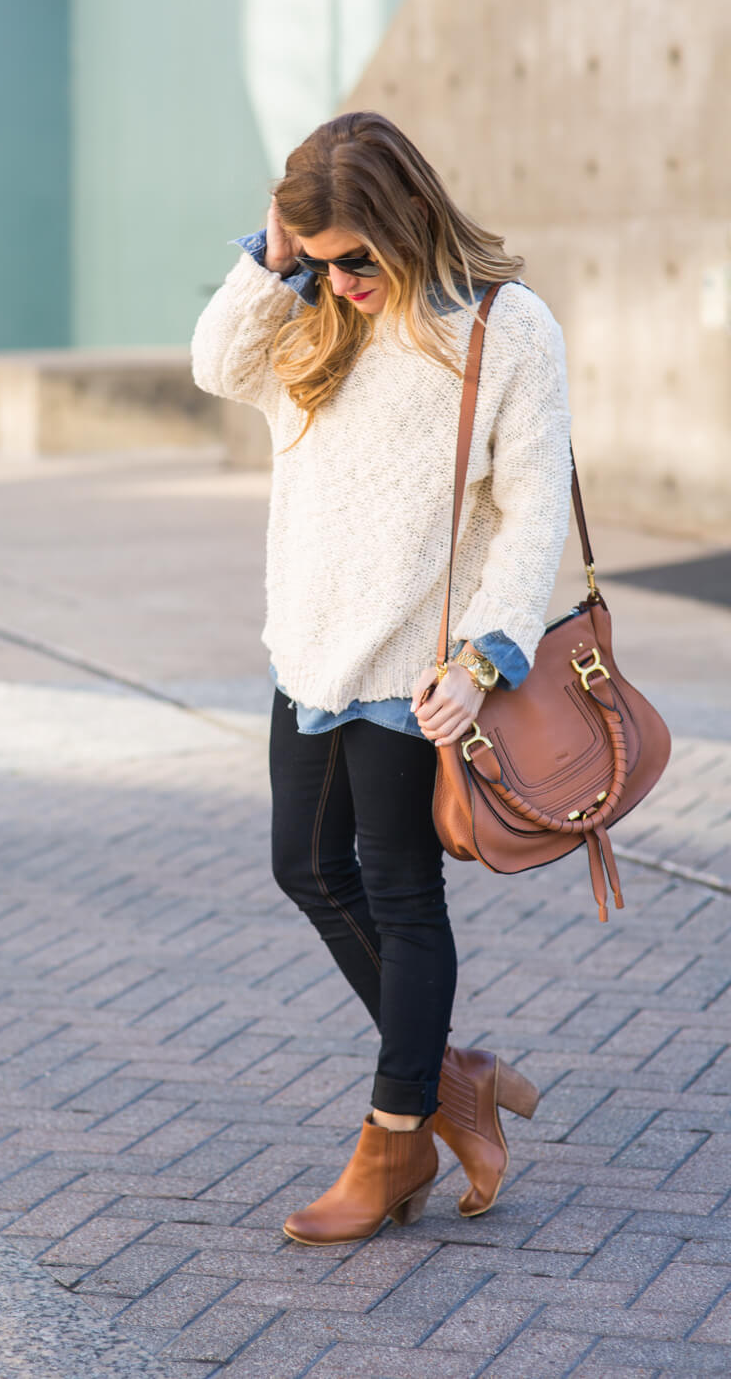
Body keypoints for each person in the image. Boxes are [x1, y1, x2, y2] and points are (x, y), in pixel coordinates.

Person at [191, 111, 571, 1246]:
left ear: (409, 217)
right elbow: (215, 365)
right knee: (305, 866)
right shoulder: (308, 316)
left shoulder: (506, 328)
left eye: (358, 256)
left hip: (417, 665)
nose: (344, 279)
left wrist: (484, 658)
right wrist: (273, 263)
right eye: (320, 260)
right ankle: (456, 1081)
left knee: (401, 893)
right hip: (307, 642)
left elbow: (530, 509)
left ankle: (397, 1131)